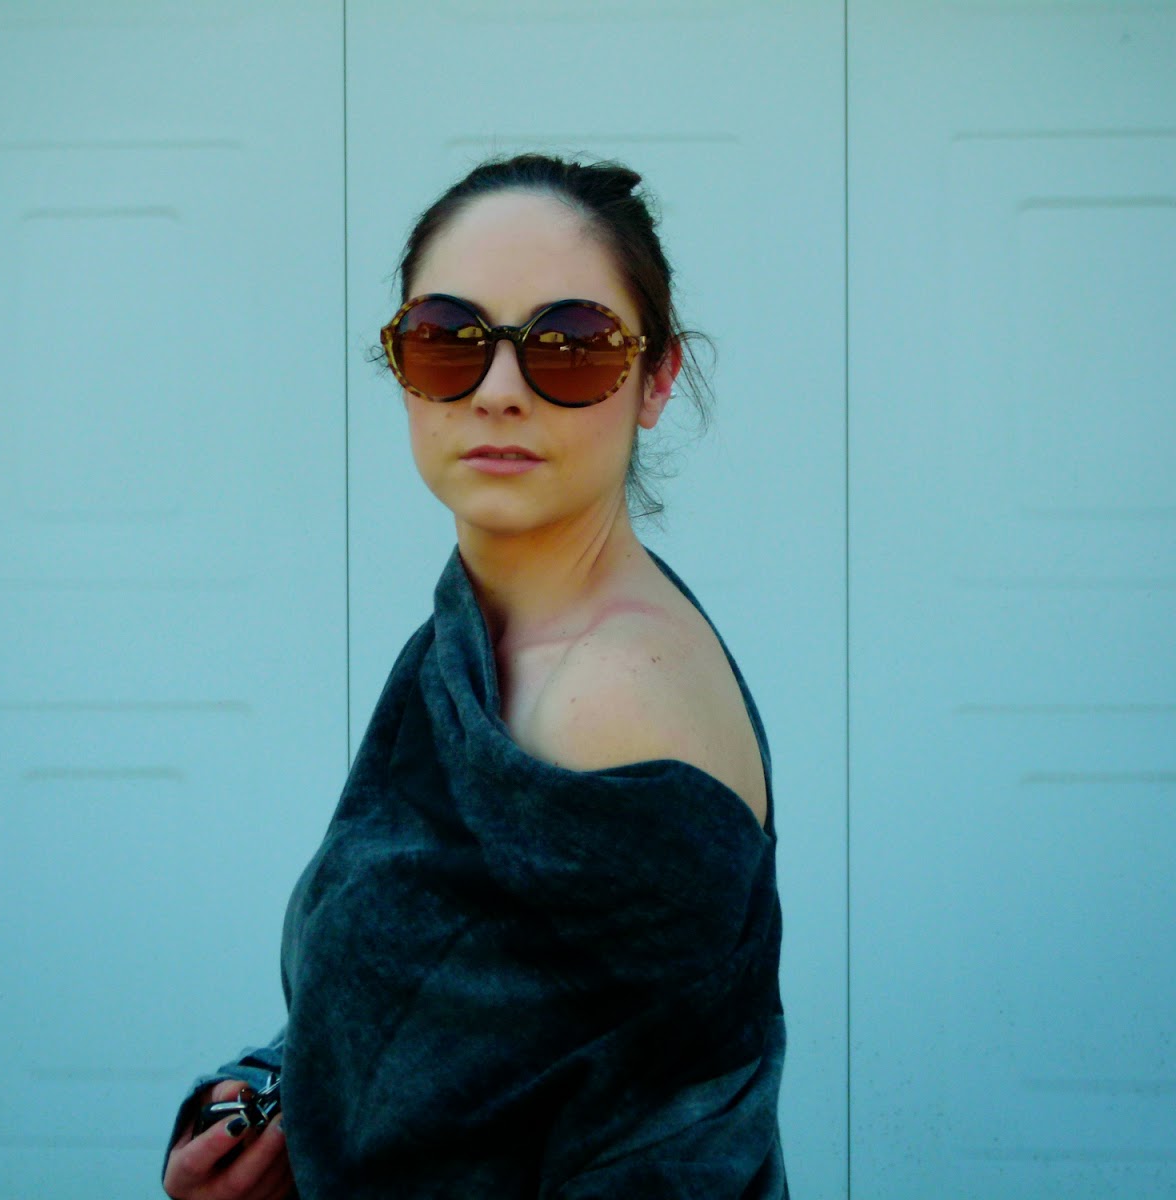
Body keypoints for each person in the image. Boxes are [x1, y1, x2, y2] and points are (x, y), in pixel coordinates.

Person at [162, 153, 787, 1199]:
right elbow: (436, 1047)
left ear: (656, 379)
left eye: (571, 345)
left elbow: (664, 1153)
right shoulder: (484, 632)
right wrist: (263, 1105)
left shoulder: (610, 700)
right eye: (448, 339)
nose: (498, 391)